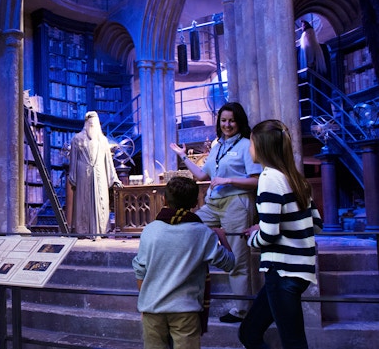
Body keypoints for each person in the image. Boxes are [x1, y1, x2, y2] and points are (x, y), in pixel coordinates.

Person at [169, 102, 262, 323]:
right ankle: (202, 267)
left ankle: (241, 310)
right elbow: (202, 175)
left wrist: (228, 180)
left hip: (236, 203)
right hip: (214, 203)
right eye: (223, 120)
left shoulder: (247, 145)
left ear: (239, 122)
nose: (227, 125)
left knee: (238, 259)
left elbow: (257, 180)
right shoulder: (218, 146)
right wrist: (183, 156)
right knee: (185, 225)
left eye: (232, 121)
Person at [239, 119, 323, 349]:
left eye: (252, 143)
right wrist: (267, 226)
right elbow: (316, 224)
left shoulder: (269, 178)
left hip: (283, 270)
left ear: (262, 146)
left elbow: (269, 235)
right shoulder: (294, 177)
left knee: (293, 342)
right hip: (299, 269)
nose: (249, 148)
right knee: (249, 332)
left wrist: (252, 238)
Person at [133, 176, 235, 349]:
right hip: (185, 311)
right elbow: (229, 264)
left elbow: (140, 271)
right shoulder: (202, 233)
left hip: (152, 309)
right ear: (195, 203)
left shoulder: (150, 230)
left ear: (164, 200)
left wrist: (145, 303)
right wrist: (222, 238)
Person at [67, 111, 121, 237]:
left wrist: (114, 178)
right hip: (83, 174)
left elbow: (109, 161)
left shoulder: (103, 140)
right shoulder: (76, 139)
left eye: (94, 122)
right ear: (86, 123)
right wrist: (72, 177)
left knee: (101, 201)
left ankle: (101, 230)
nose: (92, 124)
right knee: (83, 201)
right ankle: (83, 230)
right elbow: (73, 161)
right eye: (90, 122)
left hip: (100, 174)